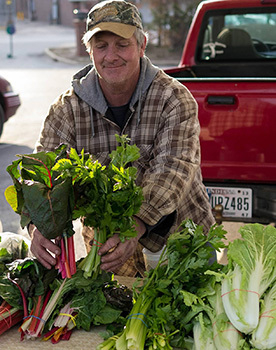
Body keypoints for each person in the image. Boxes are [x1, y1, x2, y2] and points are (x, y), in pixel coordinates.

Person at [28, 0, 215, 277]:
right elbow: (42, 171)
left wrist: (136, 224)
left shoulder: (173, 99)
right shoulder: (67, 109)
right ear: (90, 51)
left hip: (180, 241)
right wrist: (37, 224)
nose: (111, 55)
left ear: (142, 46)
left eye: (122, 44)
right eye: (101, 46)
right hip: (108, 252)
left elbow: (172, 169)